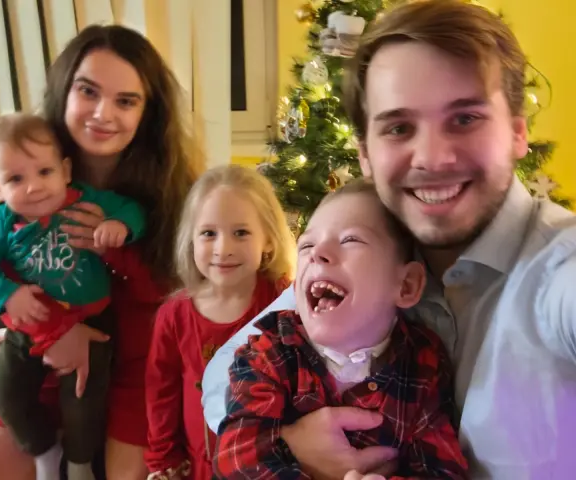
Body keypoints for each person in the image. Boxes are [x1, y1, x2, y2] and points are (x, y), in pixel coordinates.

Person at [202, 1, 576, 479]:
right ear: (365, 156)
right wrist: (291, 445)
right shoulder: (367, 258)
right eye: (399, 128)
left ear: (518, 132)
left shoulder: (559, 272)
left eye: (465, 118)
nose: (433, 157)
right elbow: (220, 380)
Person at [0, 25, 204, 480]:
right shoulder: (23, 167)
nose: (102, 113)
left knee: (126, 471)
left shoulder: (170, 189)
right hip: (44, 344)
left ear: (148, 113)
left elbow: (175, 293)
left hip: (137, 359)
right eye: (88, 91)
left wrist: (112, 250)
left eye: (125, 101)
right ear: (63, 91)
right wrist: (54, 333)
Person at [213, 178, 468, 480]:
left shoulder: (423, 362)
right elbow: (235, 461)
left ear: (407, 285)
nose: (317, 252)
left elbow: (442, 470)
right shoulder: (268, 353)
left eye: (350, 240)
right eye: (306, 245)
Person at [0, 113, 147, 480]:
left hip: (93, 322)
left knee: (83, 401)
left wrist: (120, 226)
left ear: (65, 170)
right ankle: (46, 454)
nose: (34, 187)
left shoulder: (85, 201)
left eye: (44, 172)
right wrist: (6, 294)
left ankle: (79, 465)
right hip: (30, 323)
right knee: (7, 397)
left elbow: (132, 210)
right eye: (16, 179)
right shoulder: (0, 222)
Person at [144, 165, 295, 480]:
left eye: (241, 233)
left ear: (268, 239)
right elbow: (161, 393)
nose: (223, 249)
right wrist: (164, 459)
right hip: (199, 469)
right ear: (191, 239)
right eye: (209, 233)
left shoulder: (284, 304)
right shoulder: (174, 316)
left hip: (271, 467)